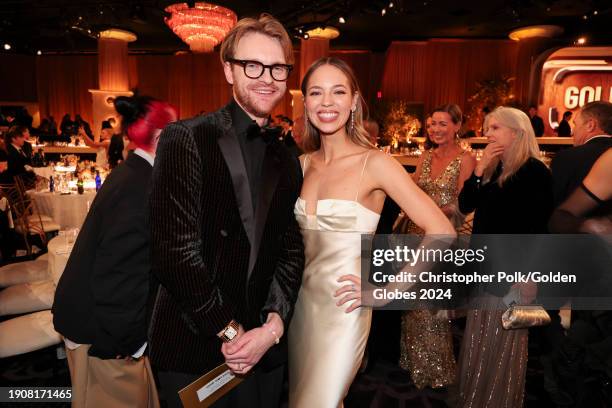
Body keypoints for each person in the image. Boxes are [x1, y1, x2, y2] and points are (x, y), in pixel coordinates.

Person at [148, 14, 304, 408]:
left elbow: (289, 249)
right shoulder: (186, 137)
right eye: (252, 65)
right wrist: (232, 334)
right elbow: (174, 255)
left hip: (263, 351)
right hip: (194, 345)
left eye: (278, 68)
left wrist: (273, 325)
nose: (267, 77)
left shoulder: (287, 157)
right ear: (229, 70)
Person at [289, 57, 455, 407]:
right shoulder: (302, 164)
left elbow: (441, 231)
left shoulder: (375, 163)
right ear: (306, 103)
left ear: (353, 102)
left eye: (338, 92)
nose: (327, 102)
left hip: (345, 308)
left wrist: (386, 293)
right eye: (316, 93)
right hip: (298, 308)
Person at [52, 95, 177, 408]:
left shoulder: (135, 172)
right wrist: (122, 341)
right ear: (161, 137)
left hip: (102, 321)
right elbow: (119, 273)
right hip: (102, 331)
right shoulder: (142, 187)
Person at [457, 106, 553, 407]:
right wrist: (478, 169)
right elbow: (465, 204)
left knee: (505, 335)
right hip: (485, 263)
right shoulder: (493, 167)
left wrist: (530, 275)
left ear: (517, 132)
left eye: (495, 128)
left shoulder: (536, 172)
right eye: (488, 128)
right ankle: (474, 394)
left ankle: (497, 398)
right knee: (479, 332)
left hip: (513, 269)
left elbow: (540, 230)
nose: (488, 134)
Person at [397, 104, 476, 389]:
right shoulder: (426, 156)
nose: (436, 129)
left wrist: (432, 210)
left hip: (442, 238)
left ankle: (437, 367)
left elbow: (463, 205)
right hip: (415, 234)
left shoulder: (466, 159)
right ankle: (414, 360)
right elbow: (413, 187)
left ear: (457, 126)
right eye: (432, 124)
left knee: (430, 302)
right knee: (410, 299)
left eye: (442, 124)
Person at [550, 101, 612, 206]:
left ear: (590, 125)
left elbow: (552, 205)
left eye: (575, 124)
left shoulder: (566, 158)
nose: (573, 131)